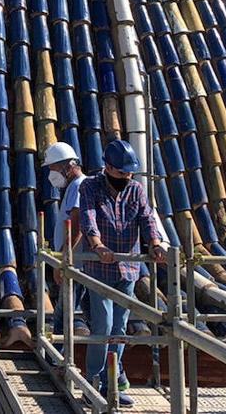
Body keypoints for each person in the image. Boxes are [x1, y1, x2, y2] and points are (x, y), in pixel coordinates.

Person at [78, 139, 166, 407]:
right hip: (99, 268)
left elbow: (147, 218)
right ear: (107, 167)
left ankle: (112, 385)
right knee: (102, 326)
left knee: (119, 329)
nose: (126, 177)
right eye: (121, 172)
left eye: (130, 173)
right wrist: (97, 245)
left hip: (128, 268)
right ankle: (93, 384)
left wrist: (155, 243)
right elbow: (88, 217)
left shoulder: (136, 190)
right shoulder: (90, 186)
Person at [42, 141, 89, 337]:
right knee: (77, 311)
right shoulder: (73, 187)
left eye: (53, 169)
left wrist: (63, 259)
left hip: (74, 264)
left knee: (63, 316)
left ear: (68, 166)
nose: (51, 174)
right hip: (75, 262)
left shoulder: (79, 186)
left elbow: (77, 226)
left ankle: (60, 353)